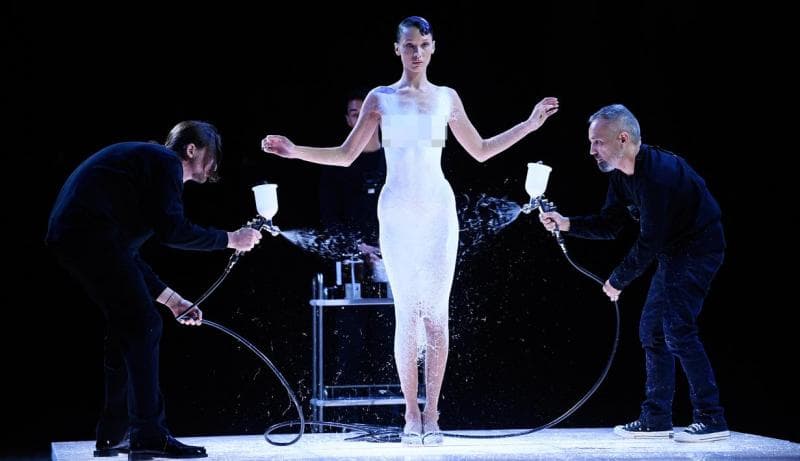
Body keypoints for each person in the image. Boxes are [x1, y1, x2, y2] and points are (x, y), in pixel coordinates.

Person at [262, 16, 558, 445]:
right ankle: (410, 413)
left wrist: (529, 125)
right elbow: (346, 155)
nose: (416, 52)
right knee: (407, 314)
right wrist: (295, 152)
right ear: (397, 49)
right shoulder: (380, 99)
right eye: (409, 46)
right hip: (397, 212)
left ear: (433, 47)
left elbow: (480, 150)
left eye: (423, 45)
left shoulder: (446, 97)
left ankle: (433, 412)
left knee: (436, 315)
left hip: (438, 212)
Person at [46, 121, 262, 458]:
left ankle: (113, 434)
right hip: (87, 235)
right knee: (144, 324)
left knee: (128, 327)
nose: (214, 165)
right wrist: (230, 239)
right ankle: (148, 434)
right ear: (191, 149)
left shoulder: (146, 168)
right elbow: (173, 232)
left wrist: (174, 301)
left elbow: (126, 255)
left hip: (78, 236)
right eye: (212, 155)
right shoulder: (165, 162)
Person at [539, 104, 729, 443]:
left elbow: (650, 241)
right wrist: (567, 224)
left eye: (598, 142)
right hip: (674, 250)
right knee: (652, 332)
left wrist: (618, 280)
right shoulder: (620, 175)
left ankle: (712, 418)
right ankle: (656, 418)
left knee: (677, 330)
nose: (591, 150)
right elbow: (611, 225)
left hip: (699, 247)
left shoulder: (659, 176)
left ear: (623, 139)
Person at [318, 88, 387, 286]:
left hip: (394, 256)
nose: (362, 119)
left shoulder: (396, 160)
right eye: (356, 114)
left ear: (379, 116)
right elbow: (330, 217)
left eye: (367, 112)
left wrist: (388, 246)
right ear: (348, 120)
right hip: (351, 266)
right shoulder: (334, 167)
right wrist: (357, 246)